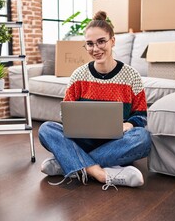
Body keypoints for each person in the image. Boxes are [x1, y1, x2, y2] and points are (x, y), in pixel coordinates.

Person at [38, 11, 151, 191]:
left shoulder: (131, 76)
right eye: (90, 44)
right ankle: (100, 173)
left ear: (112, 41)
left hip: (117, 142)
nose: (95, 49)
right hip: (83, 140)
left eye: (101, 41)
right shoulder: (78, 75)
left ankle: (69, 163)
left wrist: (129, 125)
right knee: (46, 129)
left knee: (143, 138)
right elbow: (65, 113)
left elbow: (141, 116)